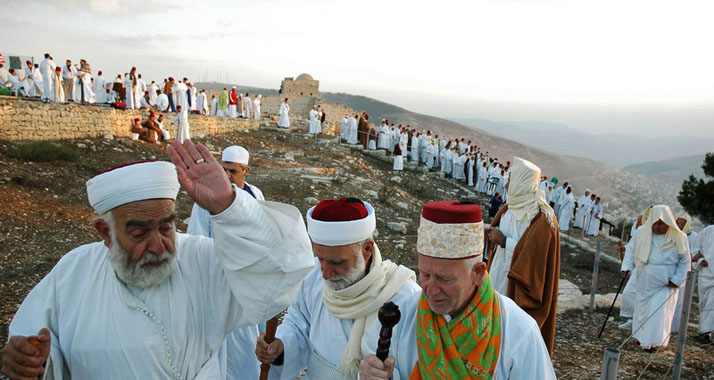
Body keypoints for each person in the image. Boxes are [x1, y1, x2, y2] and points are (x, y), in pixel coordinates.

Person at [1, 146, 315, 380]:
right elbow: (38, 344)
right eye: (139, 232)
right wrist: (34, 361)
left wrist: (228, 207)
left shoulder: (198, 260)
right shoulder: (72, 274)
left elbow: (282, 269)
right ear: (105, 232)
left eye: (166, 227)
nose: (158, 246)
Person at [360, 200, 556, 380]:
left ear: (478, 273)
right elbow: (374, 362)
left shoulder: (519, 333)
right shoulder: (401, 318)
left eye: (445, 279)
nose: (431, 290)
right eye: (426, 275)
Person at [255, 197, 419, 379]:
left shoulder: (406, 300)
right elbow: (298, 324)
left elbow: (417, 368)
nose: (325, 273)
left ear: (367, 249)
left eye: (336, 262)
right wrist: (280, 348)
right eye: (321, 259)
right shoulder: (312, 277)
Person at [187, 145, 264, 380]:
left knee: (250, 346)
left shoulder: (256, 195)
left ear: (246, 170)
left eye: (233, 171)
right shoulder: (205, 201)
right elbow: (196, 241)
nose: (227, 176)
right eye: (224, 170)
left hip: (251, 285)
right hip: (219, 284)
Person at [486, 157, 561, 355]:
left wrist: (504, 241)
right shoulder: (510, 206)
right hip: (499, 274)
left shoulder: (542, 218)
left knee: (511, 333)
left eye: (512, 179)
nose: (508, 183)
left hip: (520, 284)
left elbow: (536, 259)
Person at [622, 205, 690, 351]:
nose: (658, 227)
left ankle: (652, 343)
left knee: (658, 312)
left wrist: (677, 280)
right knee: (643, 310)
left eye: (661, 224)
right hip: (645, 279)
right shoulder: (642, 232)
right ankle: (642, 339)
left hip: (666, 282)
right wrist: (626, 266)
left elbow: (685, 262)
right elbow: (631, 249)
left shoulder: (679, 237)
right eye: (655, 223)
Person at [671, 212, 698, 333]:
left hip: (684, 272)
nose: (680, 225)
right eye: (678, 223)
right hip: (672, 270)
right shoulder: (673, 234)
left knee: (680, 301)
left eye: (682, 223)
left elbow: (692, 255)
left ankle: (675, 327)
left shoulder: (692, 237)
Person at [693, 225, 714, 343]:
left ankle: (706, 332)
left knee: (712, 305)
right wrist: (701, 260)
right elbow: (696, 249)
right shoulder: (707, 231)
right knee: (704, 303)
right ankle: (704, 330)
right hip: (705, 274)